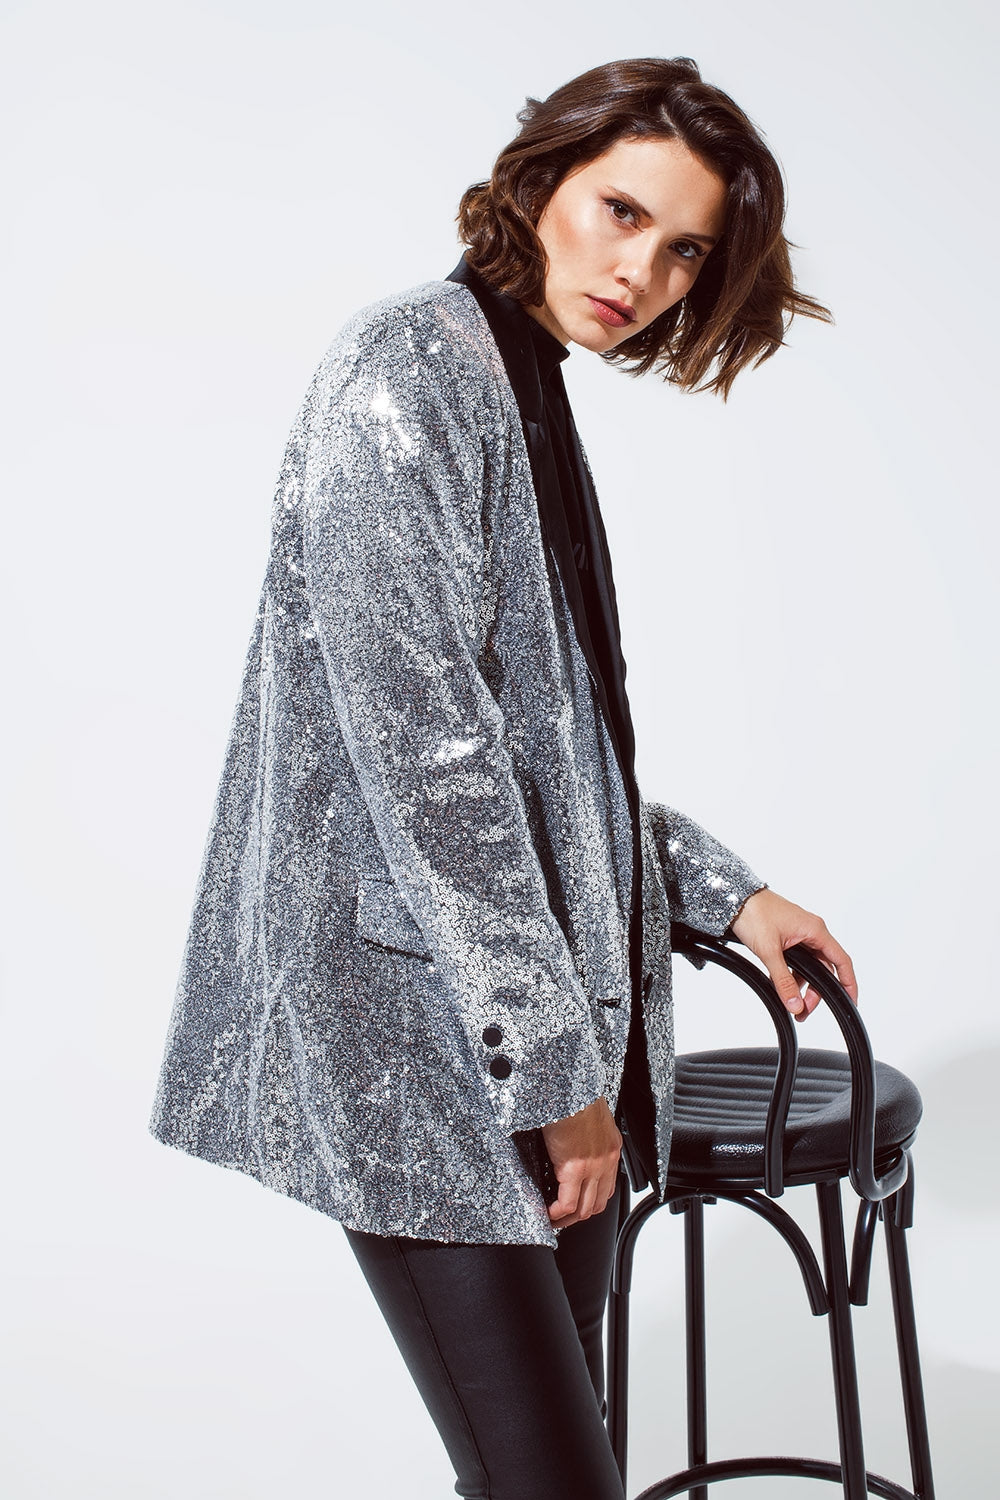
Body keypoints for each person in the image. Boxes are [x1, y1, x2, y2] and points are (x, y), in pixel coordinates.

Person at [149, 56, 858, 1500]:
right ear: (539, 182)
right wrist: (552, 1069)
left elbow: (546, 756)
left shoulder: (518, 382)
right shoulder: (406, 371)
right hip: (426, 1040)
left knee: (548, 1464)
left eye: (685, 251)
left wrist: (725, 892)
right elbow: (430, 758)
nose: (642, 273)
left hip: (529, 1027)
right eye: (620, 212)